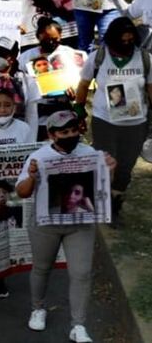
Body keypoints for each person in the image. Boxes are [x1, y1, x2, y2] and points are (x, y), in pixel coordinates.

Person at [17, 111, 116, 343]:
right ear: (52, 135)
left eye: (74, 131)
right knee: (42, 267)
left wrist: (109, 171)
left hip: (79, 223)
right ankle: (38, 308)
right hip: (46, 223)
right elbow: (22, 192)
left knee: (81, 273)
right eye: (64, 132)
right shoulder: (38, 156)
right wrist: (31, 176)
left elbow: (102, 190)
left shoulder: (90, 153)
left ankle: (78, 325)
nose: (70, 135)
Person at [75, 17, 152, 218]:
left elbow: (151, 90)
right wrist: (79, 111)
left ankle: (116, 200)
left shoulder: (145, 59)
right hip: (105, 121)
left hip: (136, 124)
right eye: (122, 41)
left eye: (130, 41)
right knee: (106, 162)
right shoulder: (98, 57)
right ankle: (101, 200)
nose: (126, 44)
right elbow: (83, 86)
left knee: (126, 166)